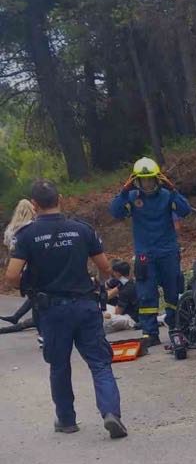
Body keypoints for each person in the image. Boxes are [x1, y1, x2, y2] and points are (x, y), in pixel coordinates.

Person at [4, 180, 127, 438]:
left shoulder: (26, 235)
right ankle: (110, 412)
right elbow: (105, 268)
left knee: (59, 365)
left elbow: (12, 276)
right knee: (100, 363)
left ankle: (67, 420)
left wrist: (31, 285)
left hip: (52, 310)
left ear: (34, 205)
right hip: (85, 305)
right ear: (60, 199)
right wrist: (97, 283)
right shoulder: (82, 229)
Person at [109, 157, 191, 347]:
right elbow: (115, 212)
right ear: (136, 180)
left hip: (168, 251)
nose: (147, 184)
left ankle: (176, 327)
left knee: (173, 291)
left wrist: (173, 190)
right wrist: (124, 192)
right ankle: (150, 332)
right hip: (145, 254)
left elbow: (185, 210)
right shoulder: (132, 197)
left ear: (157, 179)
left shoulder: (167, 195)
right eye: (143, 180)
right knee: (146, 294)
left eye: (150, 180)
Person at [1, 199, 36, 326]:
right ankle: (34, 319)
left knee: (33, 293)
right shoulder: (33, 226)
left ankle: (17, 316)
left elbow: (7, 243)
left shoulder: (11, 228)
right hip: (32, 262)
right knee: (37, 293)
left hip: (17, 262)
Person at [103, 260, 139, 334]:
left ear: (117, 273)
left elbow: (118, 312)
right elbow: (110, 294)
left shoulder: (126, 290)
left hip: (131, 318)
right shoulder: (127, 282)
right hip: (128, 312)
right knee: (101, 307)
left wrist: (108, 314)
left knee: (108, 320)